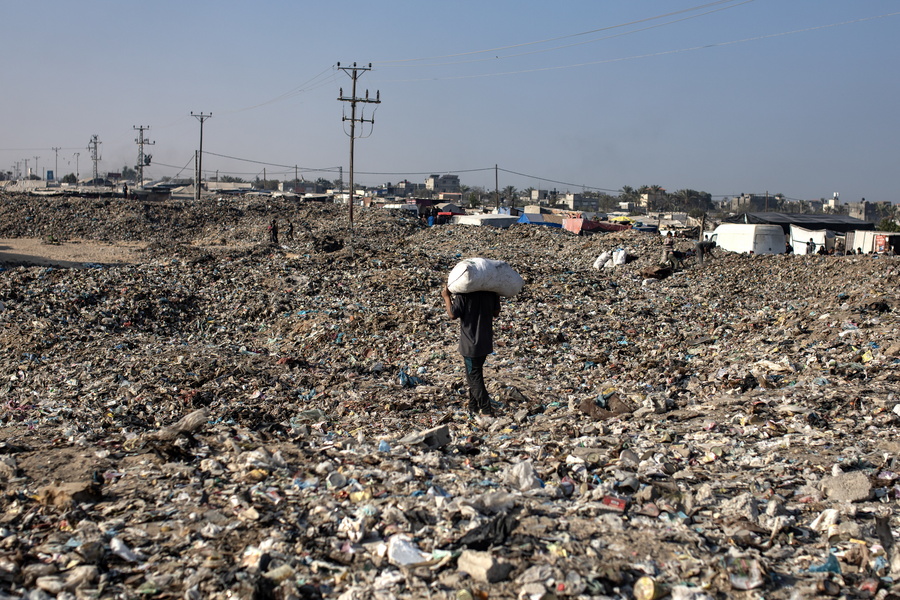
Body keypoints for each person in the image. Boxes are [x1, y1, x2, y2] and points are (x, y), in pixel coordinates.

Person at [441, 285, 501, 416]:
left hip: (470, 345)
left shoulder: (463, 295)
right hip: (485, 343)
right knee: (474, 375)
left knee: (474, 378)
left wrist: (446, 297)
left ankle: (486, 410)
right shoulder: (491, 293)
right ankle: (473, 407)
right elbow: (496, 313)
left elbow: (452, 314)